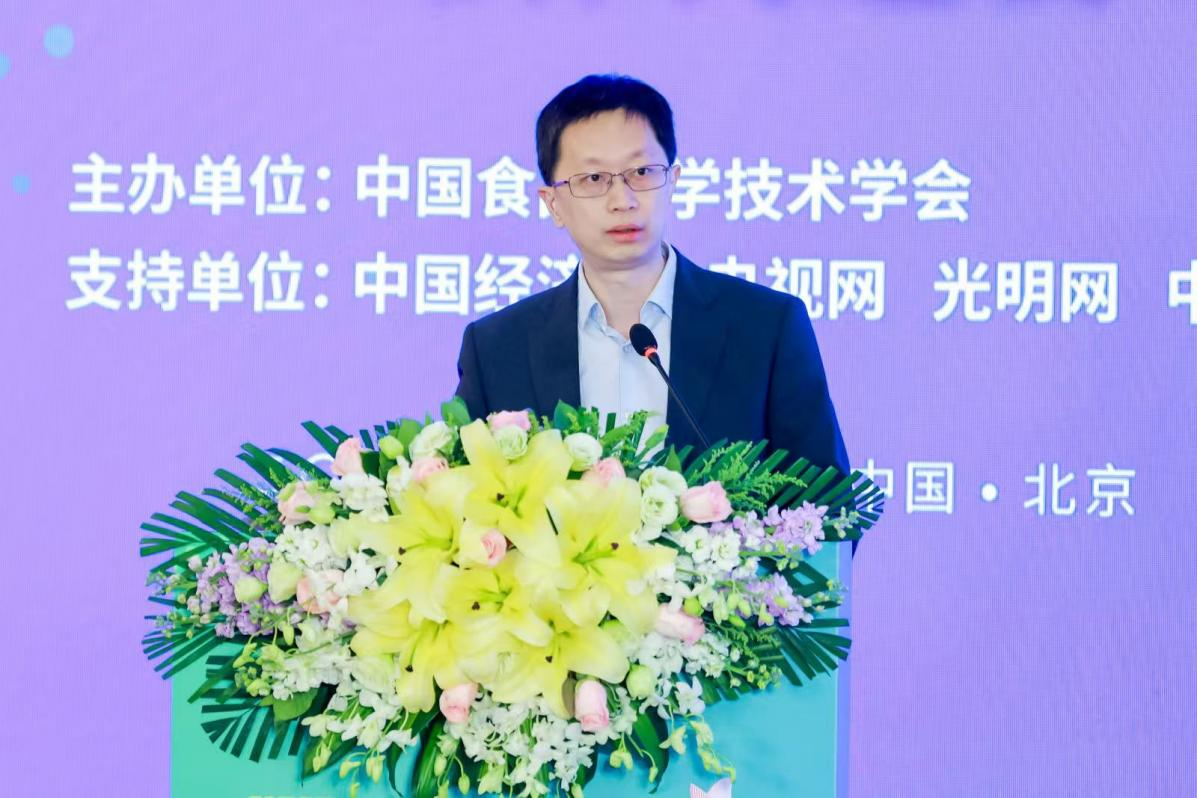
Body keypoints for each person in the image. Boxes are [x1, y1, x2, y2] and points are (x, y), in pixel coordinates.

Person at [454, 73, 849, 481]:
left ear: (672, 182)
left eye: (642, 172)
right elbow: (463, 495)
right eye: (593, 179)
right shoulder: (497, 348)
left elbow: (828, 504)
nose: (622, 200)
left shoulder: (766, 328)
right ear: (553, 203)